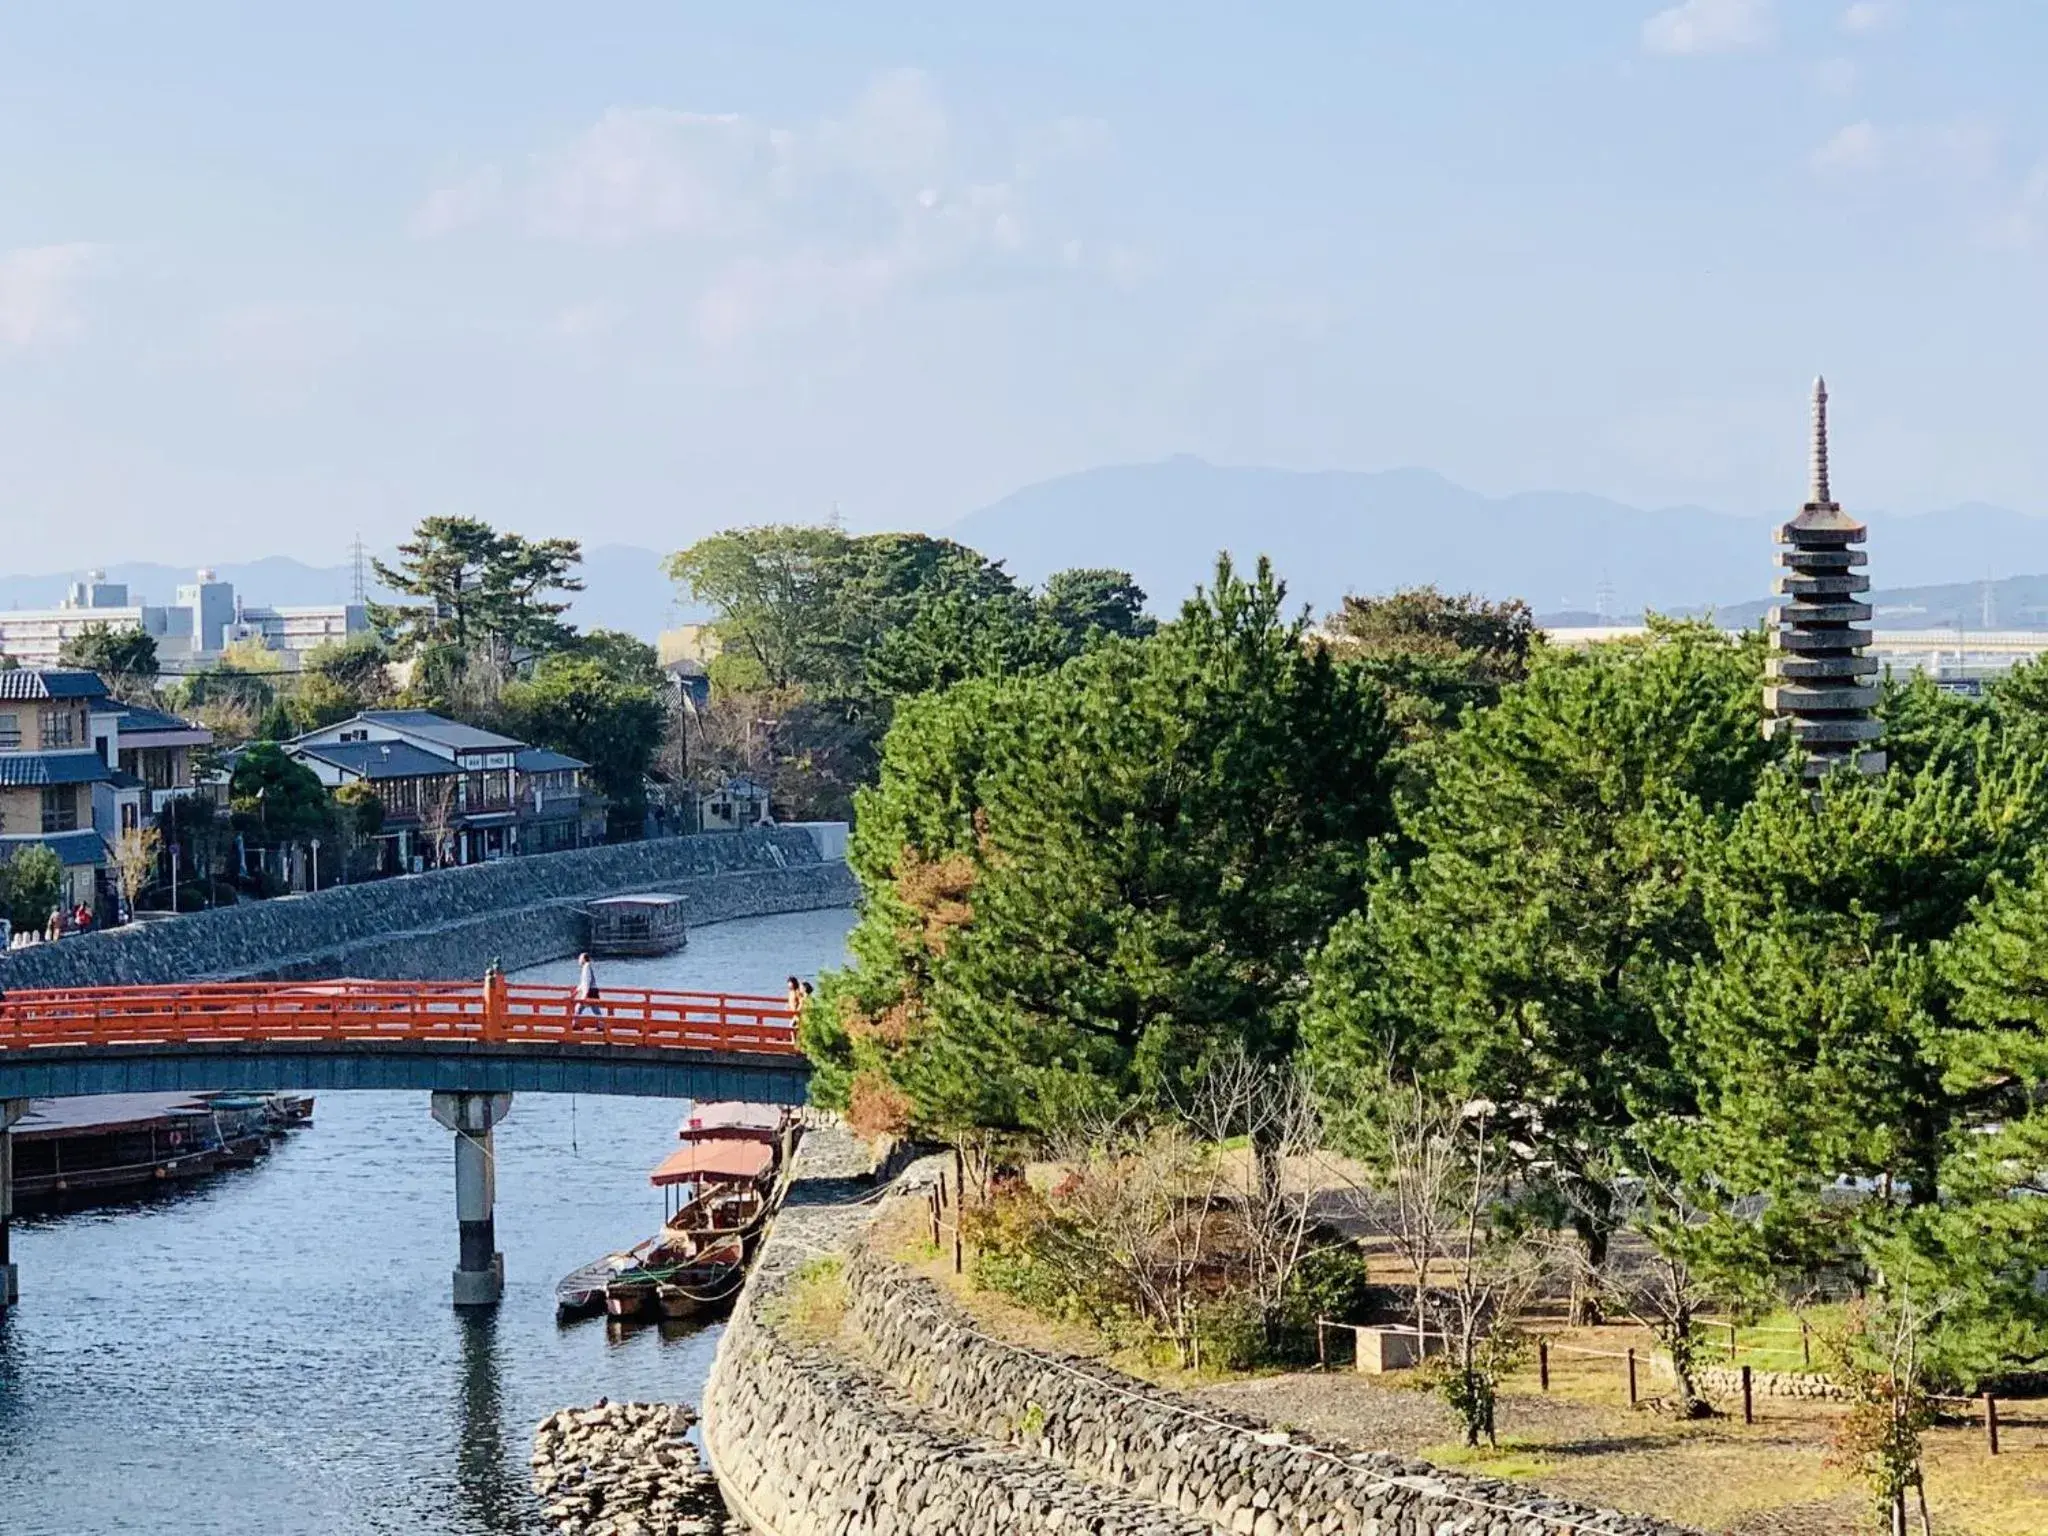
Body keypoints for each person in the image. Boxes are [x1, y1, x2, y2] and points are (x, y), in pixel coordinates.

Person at [574, 951, 601, 1019]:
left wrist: (585, 994)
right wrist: (577, 991)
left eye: (580, 959)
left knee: (578, 1008)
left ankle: (575, 1024)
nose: (579, 960)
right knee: (595, 1009)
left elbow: (586, 981)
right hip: (592, 991)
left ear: (583, 959)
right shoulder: (587, 966)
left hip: (589, 991)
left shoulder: (586, 967)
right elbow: (584, 982)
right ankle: (601, 1024)